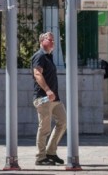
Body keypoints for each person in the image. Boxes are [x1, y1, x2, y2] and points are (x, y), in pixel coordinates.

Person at [31, 32, 67, 165]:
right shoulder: (39, 56)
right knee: (44, 128)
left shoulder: (48, 56)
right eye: (50, 40)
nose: (53, 42)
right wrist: (47, 90)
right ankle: (40, 158)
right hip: (43, 98)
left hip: (54, 98)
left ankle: (51, 152)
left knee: (63, 122)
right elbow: (37, 74)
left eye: (54, 40)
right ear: (41, 41)